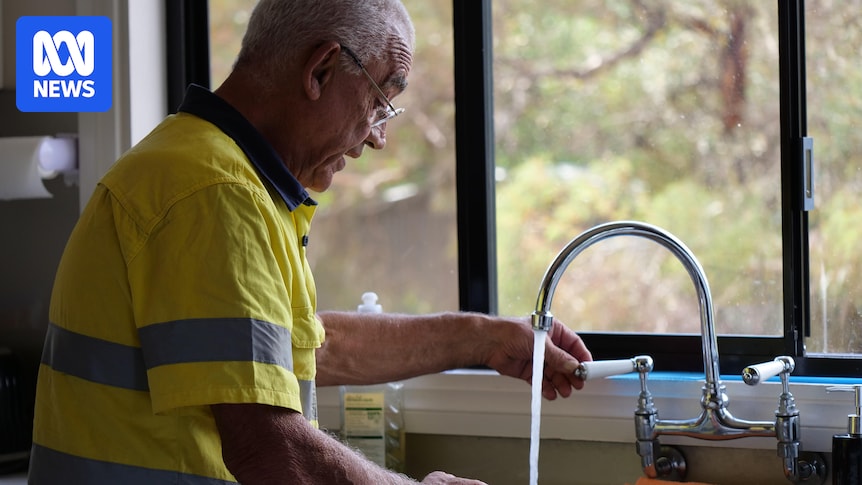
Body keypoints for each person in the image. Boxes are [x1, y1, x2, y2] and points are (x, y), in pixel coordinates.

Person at [28, 0, 593, 483]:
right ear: (321, 70)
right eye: (379, 102)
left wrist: (485, 338)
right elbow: (270, 450)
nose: (378, 137)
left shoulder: (206, 168)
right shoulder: (214, 192)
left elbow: (305, 350)